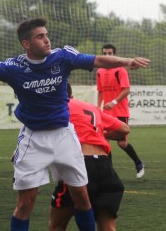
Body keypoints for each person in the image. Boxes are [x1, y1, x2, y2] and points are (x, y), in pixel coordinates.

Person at [0, 18, 150, 231]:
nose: (47, 40)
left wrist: (127, 61)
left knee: (82, 197)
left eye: (46, 35)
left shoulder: (62, 57)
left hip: (65, 135)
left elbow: (97, 60)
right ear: (26, 43)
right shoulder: (12, 67)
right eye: (40, 36)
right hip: (33, 138)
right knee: (26, 202)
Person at [49, 83, 130, 231]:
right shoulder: (90, 107)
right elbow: (124, 130)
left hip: (80, 163)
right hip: (105, 167)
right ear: (71, 96)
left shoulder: (55, 107)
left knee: (57, 225)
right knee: (108, 227)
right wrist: (100, 135)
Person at [96, 43, 145, 179]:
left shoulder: (120, 70)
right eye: (104, 53)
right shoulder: (99, 71)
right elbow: (100, 91)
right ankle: (110, 172)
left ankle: (139, 163)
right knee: (104, 140)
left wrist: (114, 102)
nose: (107, 56)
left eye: (110, 53)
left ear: (114, 55)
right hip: (106, 113)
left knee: (122, 143)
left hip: (120, 111)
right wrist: (98, 107)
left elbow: (127, 90)